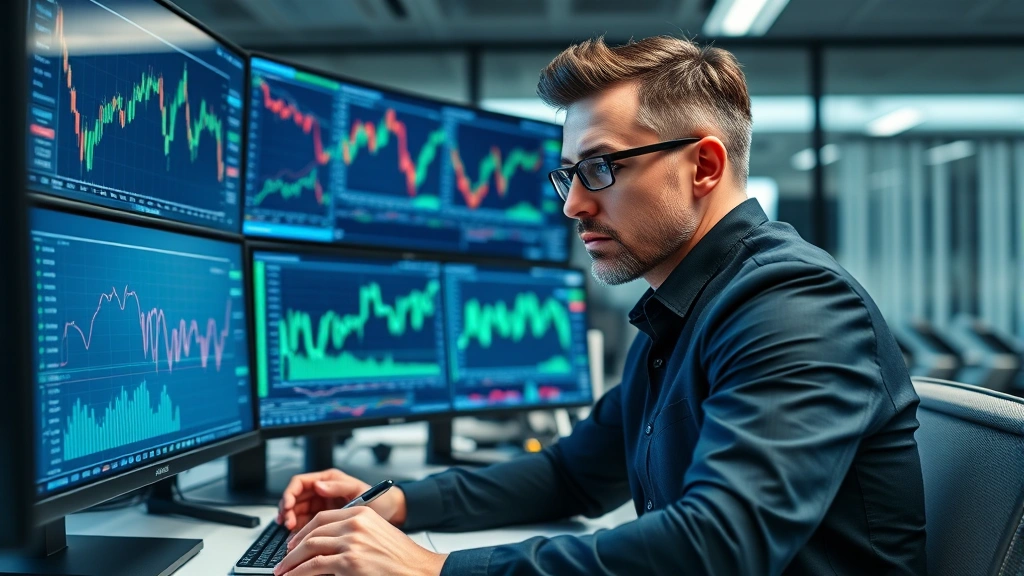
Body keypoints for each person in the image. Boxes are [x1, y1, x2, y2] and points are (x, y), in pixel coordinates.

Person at [272, 35, 928, 576]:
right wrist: (401, 503)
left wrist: (432, 570)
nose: (573, 204)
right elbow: (574, 474)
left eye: (601, 169)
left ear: (702, 167)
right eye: (568, 174)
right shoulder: (682, 307)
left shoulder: (792, 305)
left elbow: (719, 545)